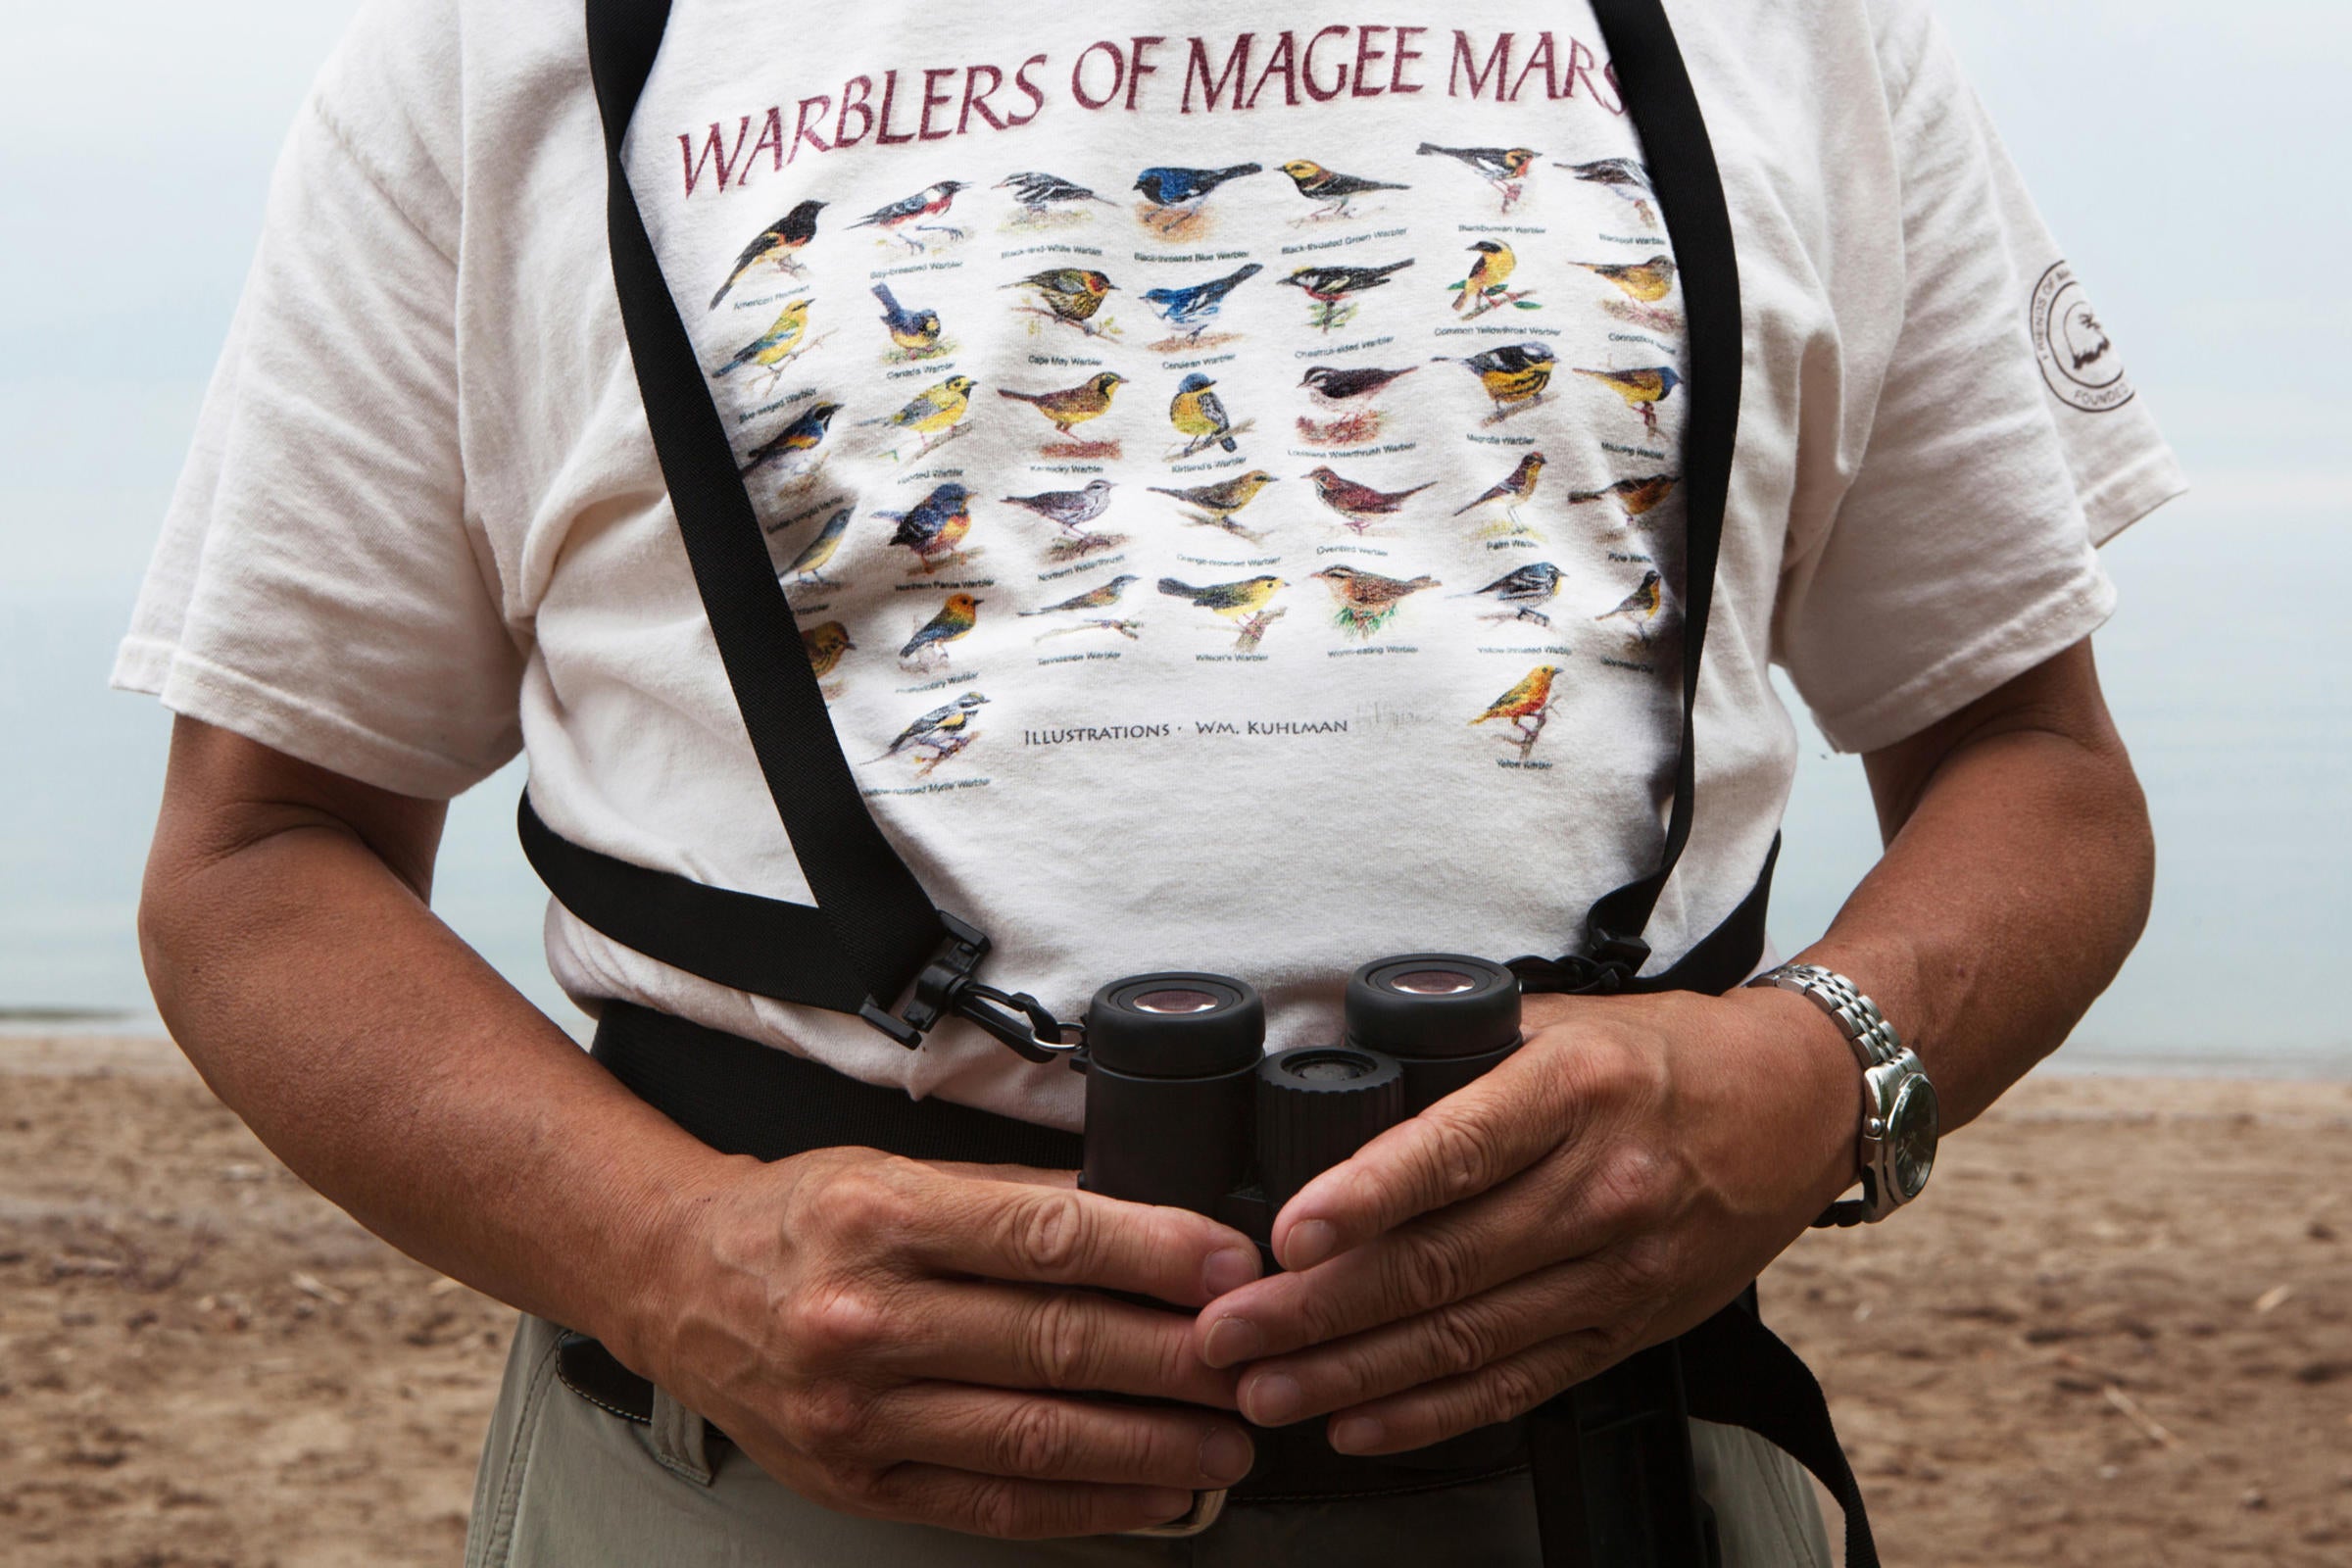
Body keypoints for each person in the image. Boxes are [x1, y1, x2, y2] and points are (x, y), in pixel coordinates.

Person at [119, 0, 2180, 1561]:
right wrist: (674, 1254)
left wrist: (1816, 1078)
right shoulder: (518, 44)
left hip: (1599, 1450)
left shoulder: (1788, 30)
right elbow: (258, 856)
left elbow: (2036, 767)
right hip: (759, 1473)